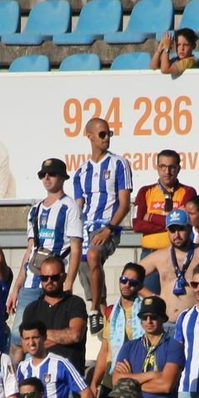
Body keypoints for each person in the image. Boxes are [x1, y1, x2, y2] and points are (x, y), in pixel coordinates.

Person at [72, 117, 133, 312]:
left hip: (107, 225)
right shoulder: (81, 172)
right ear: (89, 137)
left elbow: (124, 204)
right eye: (102, 134)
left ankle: (96, 308)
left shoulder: (119, 163)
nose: (106, 138)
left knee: (92, 254)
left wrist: (109, 229)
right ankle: (100, 306)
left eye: (109, 134)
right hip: (86, 226)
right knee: (81, 263)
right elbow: (78, 206)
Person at [21, 252, 93, 377]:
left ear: (63, 277)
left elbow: (75, 335)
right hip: (39, 380)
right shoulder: (31, 309)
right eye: (44, 278)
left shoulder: (75, 303)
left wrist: (39, 337)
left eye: (54, 278)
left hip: (70, 379)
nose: (49, 281)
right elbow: (26, 346)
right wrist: (63, 337)